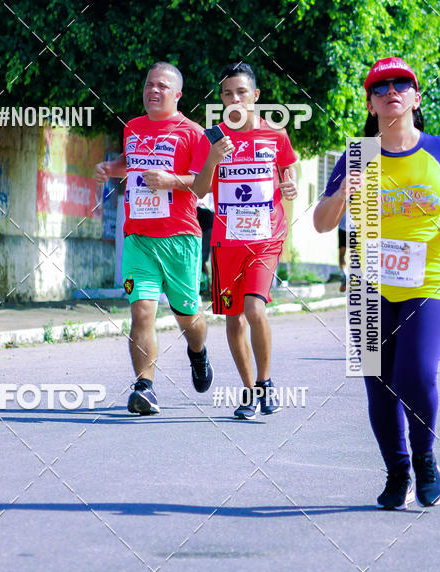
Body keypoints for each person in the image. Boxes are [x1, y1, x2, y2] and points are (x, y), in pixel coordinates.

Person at [313, 57, 440, 509]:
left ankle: (426, 459)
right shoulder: (357, 156)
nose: (391, 91)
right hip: (370, 285)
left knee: (416, 373)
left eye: (401, 84)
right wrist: (340, 194)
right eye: (380, 87)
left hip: (430, 282)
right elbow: (320, 223)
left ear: (415, 97)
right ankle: (398, 473)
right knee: (379, 383)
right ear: (371, 104)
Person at [94, 62, 213, 416]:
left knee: (187, 315)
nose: (153, 90)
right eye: (149, 84)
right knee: (142, 310)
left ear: (177, 94)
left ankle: (198, 352)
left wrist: (171, 181)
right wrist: (109, 169)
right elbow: (129, 161)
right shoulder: (133, 127)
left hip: (180, 238)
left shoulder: (193, 133)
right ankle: (145, 387)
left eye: (162, 86)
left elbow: (206, 184)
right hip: (138, 237)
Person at [194, 61, 298, 419]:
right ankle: (249, 389)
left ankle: (266, 382)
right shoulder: (213, 137)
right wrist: (212, 159)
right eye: (227, 93)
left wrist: (291, 183)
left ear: (255, 95)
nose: (234, 99)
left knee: (254, 308)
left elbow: (287, 166)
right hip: (226, 242)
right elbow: (199, 188)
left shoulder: (276, 134)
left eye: (241, 92)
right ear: (221, 98)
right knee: (233, 317)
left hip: (265, 237)